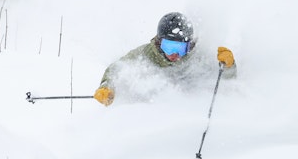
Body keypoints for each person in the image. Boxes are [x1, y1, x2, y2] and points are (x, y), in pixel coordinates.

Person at [93, 12, 236, 106]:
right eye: (169, 47)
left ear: (189, 46)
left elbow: (226, 84)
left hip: (191, 109)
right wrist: (106, 86)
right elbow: (117, 68)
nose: (175, 54)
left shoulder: (197, 58)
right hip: (153, 110)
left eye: (180, 48)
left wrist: (228, 66)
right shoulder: (146, 54)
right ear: (159, 42)